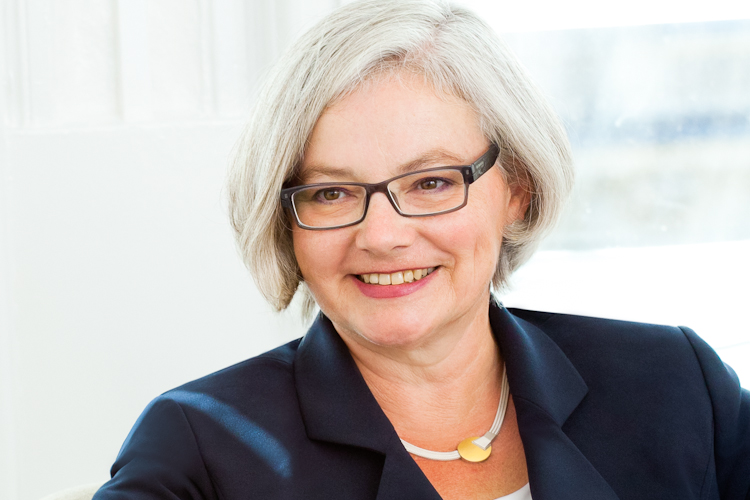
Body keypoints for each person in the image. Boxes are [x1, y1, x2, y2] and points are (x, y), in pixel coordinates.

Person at [93, 1, 750, 499]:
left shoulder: (676, 385)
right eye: (330, 193)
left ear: (517, 188)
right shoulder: (200, 446)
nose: (381, 236)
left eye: (431, 182)